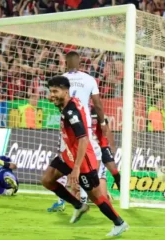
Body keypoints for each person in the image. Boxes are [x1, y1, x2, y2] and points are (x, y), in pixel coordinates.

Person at [41, 76, 128, 237]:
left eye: (55, 91)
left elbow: (83, 139)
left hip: (83, 161)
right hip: (69, 154)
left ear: (66, 91)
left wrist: (75, 169)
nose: (51, 95)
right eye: (50, 91)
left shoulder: (71, 111)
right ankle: (78, 205)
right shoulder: (67, 102)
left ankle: (119, 223)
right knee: (47, 179)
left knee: (95, 197)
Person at [62, 51, 107, 205]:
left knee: (65, 159)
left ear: (66, 63)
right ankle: (84, 195)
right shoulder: (89, 79)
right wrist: (102, 122)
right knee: (93, 158)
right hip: (83, 124)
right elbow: (97, 104)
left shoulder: (62, 79)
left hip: (66, 125)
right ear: (80, 63)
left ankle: (62, 198)